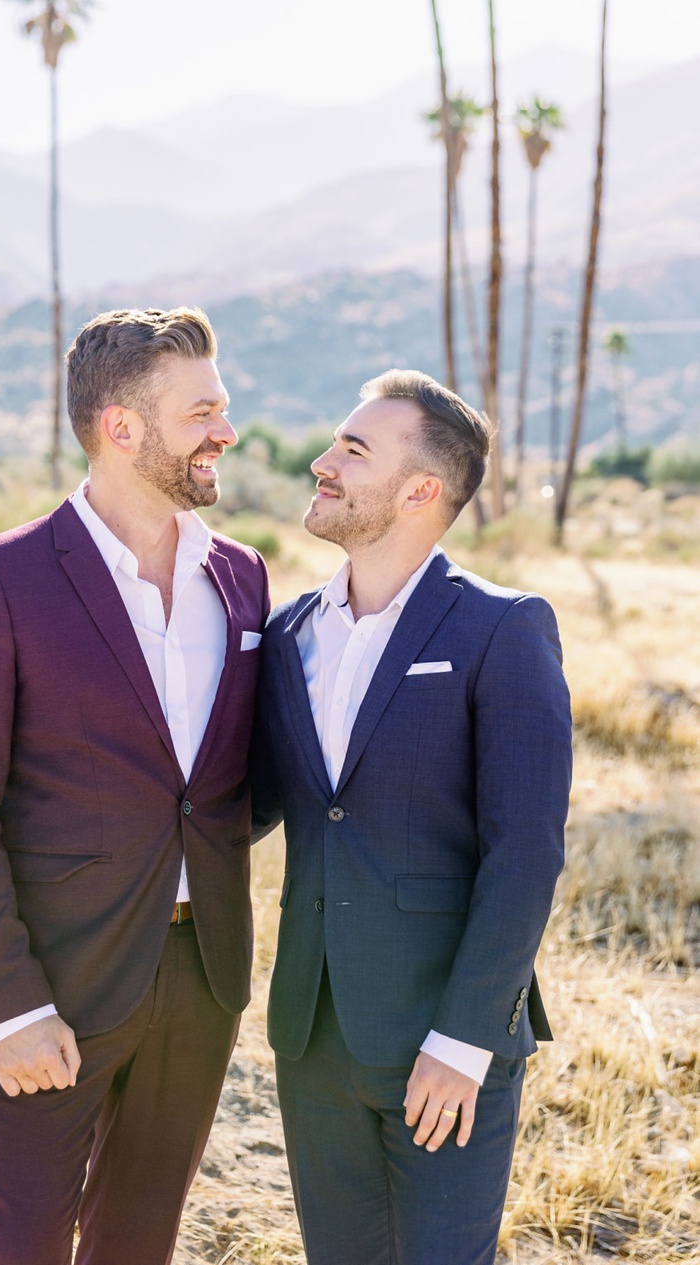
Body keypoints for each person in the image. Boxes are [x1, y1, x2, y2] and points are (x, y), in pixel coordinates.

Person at [0, 307, 270, 1263]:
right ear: (121, 426)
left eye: (221, 406)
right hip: (55, 977)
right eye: (201, 412)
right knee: (26, 1244)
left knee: (139, 1240)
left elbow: (230, 783)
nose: (226, 431)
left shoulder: (242, 578)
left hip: (202, 976)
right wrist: (11, 1004)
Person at [251, 370, 571, 1265]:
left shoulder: (503, 628)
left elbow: (525, 853)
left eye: (353, 450)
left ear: (420, 490)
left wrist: (465, 1038)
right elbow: (249, 807)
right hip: (312, 1036)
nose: (323, 461)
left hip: (445, 1039)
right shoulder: (287, 634)